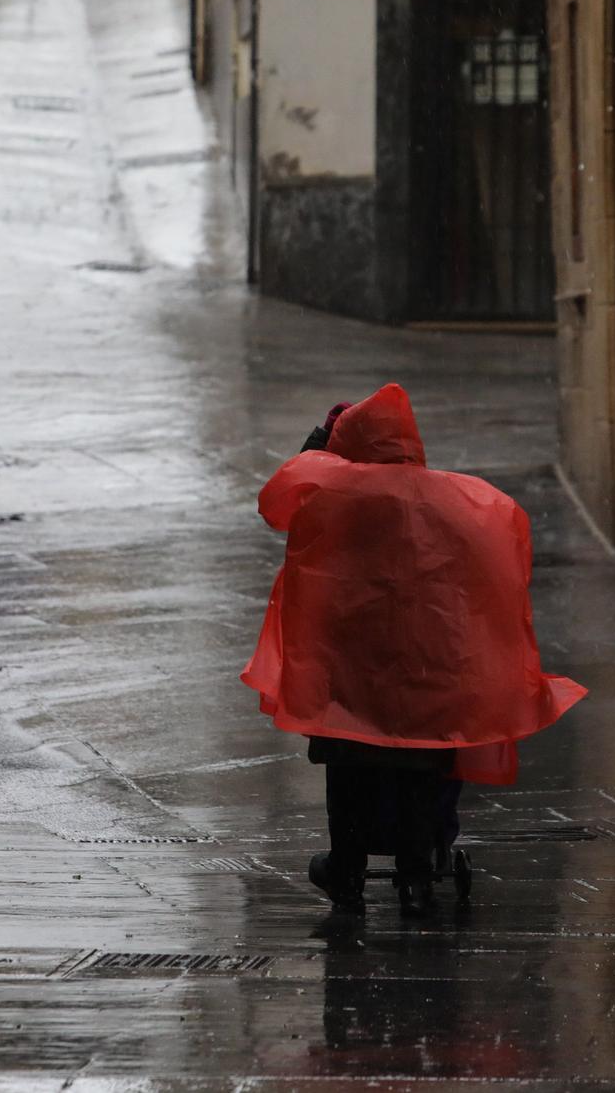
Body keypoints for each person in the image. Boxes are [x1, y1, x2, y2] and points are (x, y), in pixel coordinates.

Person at [242, 383, 586, 917]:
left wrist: (317, 448)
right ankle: (418, 869)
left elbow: (277, 502)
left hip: (351, 671)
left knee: (348, 763)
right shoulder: (457, 500)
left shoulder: (334, 497)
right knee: (425, 761)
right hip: (429, 670)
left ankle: (348, 870)